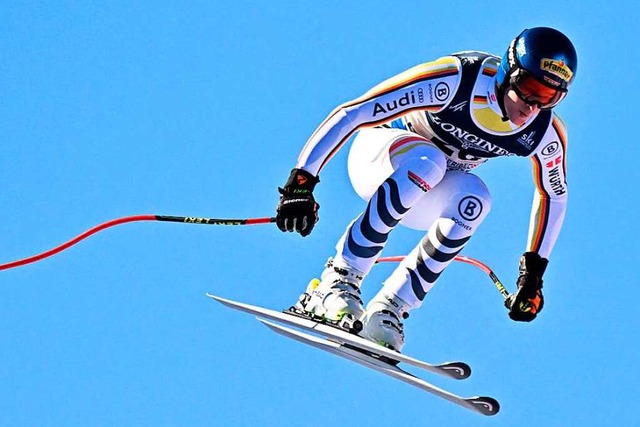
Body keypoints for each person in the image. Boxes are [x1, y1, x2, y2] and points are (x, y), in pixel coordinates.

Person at [275, 27, 577, 352]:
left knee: (475, 199)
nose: (533, 106)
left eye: (549, 98)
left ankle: (390, 308)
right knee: (429, 160)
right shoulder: (456, 79)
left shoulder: (545, 132)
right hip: (378, 160)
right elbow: (356, 111)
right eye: (530, 89)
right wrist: (302, 182)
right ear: (508, 72)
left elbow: (553, 194)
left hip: (427, 189)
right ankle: (337, 280)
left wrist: (532, 275)